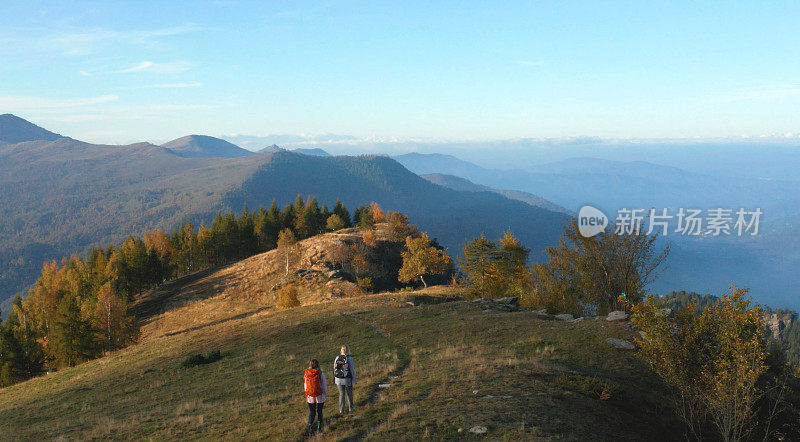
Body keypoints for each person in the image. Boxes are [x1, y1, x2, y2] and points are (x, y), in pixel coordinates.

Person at [303, 359, 327, 432]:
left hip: (310, 396)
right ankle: (319, 428)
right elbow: (324, 385)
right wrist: (324, 394)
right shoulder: (320, 373)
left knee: (312, 412)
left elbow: (305, 385)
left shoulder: (306, 373)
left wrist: (307, 394)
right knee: (319, 411)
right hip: (319, 396)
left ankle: (309, 426)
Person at [333, 344, 356, 413]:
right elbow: (352, 370)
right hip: (347, 379)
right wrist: (354, 379)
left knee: (341, 394)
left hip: (338, 379)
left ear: (341, 350)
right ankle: (351, 407)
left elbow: (334, 368)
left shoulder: (337, 358)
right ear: (348, 350)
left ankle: (341, 409)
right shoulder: (349, 358)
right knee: (349, 393)